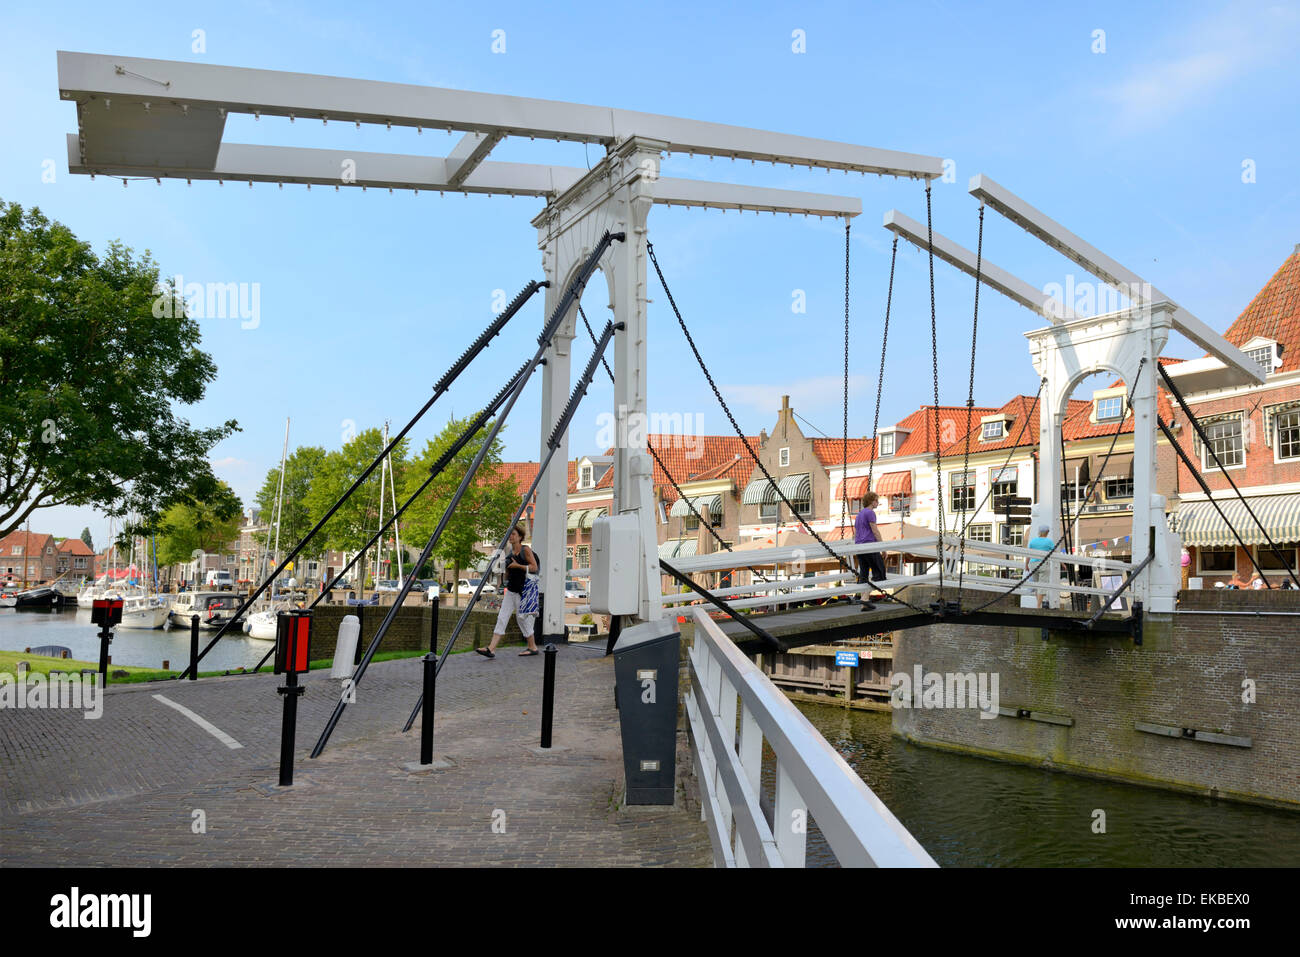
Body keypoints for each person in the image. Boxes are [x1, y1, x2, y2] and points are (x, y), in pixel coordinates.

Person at [476, 524, 539, 658]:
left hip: (523, 591)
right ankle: (491, 649)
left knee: (522, 619)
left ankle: (532, 646)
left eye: (513, 534)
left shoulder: (525, 550)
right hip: (511, 590)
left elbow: (534, 567)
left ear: (520, 537)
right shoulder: (510, 553)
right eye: (510, 534)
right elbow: (507, 574)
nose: (511, 536)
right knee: (502, 618)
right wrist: (504, 570)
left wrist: (518, 566)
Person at [854, 492, 886, 610]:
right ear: (872, 501)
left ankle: (864, 604)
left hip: (859, 547)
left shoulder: (859, 515)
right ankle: (865, 598)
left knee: (864, 574)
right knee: (880, 572)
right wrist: (882, 547)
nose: (878, 503)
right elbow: (875, 530)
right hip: (869, 546)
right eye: (877, 501)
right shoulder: (870, 513)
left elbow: (856, 533)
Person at [1027, 525, 1055, 609]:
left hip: (1033, 564)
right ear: (1047, 532)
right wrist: (1063, 564)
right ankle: (1038, 606)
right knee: (1042, 586)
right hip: (1043, 564)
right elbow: (1055, 553)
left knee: (1036, 585)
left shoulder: (1033, 541)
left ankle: (1039, 605)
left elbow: (1028, 554)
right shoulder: (1049, 542)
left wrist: (1026, 565)